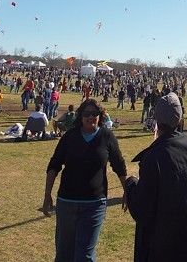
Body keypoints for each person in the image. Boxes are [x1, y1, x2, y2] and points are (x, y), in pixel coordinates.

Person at [125, 92, 187, 262]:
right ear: (179, 119)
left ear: (156, 120)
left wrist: (131, 184)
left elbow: (142, 208)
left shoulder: (153, 156)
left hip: (162, 245)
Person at [42, 99, 127, 262]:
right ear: (80, 116)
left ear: (100, 116)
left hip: (94, 204)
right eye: (87, 114)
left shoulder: (106, 136)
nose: (91, 117)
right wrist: (47, 194)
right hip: (67, 202)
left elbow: (119, 165)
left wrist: (126, 191)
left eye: (94, 114)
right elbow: (54, 165)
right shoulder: (69, 137)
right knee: (64, 254)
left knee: (84, 256)